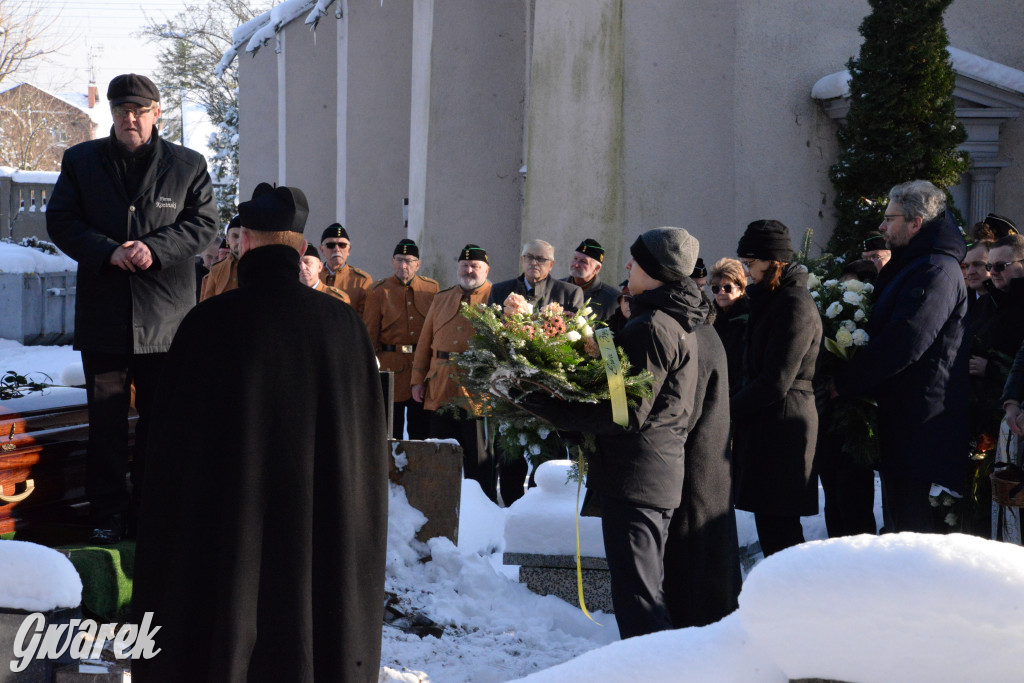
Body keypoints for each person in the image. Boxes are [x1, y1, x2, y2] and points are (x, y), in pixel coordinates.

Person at [133, 183, 387, 681]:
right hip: (318, 532)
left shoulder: (206, 324)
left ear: (243, 243)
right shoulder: (342, 326)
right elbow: (365, 453)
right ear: (301, 249)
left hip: (228, 538)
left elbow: (168, 457)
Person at [46, 73, 219, 544]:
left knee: (161, 424)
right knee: (105, 422)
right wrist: (107, 250)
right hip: (105, 318)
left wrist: (154, 249)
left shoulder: (187, 164)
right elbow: (60, 220)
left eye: (140, 110)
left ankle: (153, 508)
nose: (130, 119)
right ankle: (108, 512)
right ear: (111, 114)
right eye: (122, 110)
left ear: (157, 113)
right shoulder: (81, 161)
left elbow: (205, 223)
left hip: (166, 321)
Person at [523, 226, 705, 638]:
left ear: (656, 272)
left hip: (637, 477)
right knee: (643, 591)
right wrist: (600, 340)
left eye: (636, 261)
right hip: (651, 474)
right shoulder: (672, 321)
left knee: (639, 600)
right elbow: (627, 386)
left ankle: (650, 672)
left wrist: (548, 407)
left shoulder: (653, 326)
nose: (627, 266)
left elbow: (625, 412)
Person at [833, 180, 969, 533]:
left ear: (916, 223)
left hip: (922, 426)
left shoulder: (934, 270)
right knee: (900, 524)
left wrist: (845, 382)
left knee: (914, 532)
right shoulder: (918, 263)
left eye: (889, 219)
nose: (881, 227)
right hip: (905, 420)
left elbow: (907, 340)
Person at [731, 220, 821, 557]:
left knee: (781, 532)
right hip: (766, 424)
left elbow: (776, 379)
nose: (746, 271)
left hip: (783, 427)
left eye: (751, 263)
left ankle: (793, 602)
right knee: (771, 526)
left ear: (774, 261)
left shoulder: (793, 303)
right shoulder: (770, 300)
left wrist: (726, 411)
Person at [662, 292, 741, 629]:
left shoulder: (696, 339)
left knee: (695, 570)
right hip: (708, 469)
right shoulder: (707, 334)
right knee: (710, 562)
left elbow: (684, 416)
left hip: (695, 470)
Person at [412, 245, 496, 500]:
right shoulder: (442, 297)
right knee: (441, 452)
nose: (469, 270)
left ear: (486, 270)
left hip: (477, 391)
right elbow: (425, 342)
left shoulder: (496, 296)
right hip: (441, 387)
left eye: (475, 266)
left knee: (479, 458)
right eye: (464, 265)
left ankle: (482, 507)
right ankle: (441, 504)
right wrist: (417, 380)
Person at [815, 259, 878, 539]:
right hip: (830, 416)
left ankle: (859, 562)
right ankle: (835, 554)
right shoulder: (831, 320)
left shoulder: (875, 319)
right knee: (832, 496)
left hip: (857, 420)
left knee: (853, 499)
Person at [363, 239, 440, 440]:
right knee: (389, 431)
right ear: (392, 261)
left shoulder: (431, 289)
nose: (403, 265)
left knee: (421, 431)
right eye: (399, 260)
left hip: (421, 369)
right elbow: (370, 335)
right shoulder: (378, 290)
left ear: (418, 264)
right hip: (390, 368)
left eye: (408, 260)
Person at [490, 239, 584, 313]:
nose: (534, 263)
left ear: (551, 265)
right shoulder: (499, 291)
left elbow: (581, 334)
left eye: (540, 259)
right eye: (529, 257)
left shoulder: (569, 293)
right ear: (522, 261)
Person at [709, 257, 749, 396]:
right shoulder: (708, 319)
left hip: (740, 391)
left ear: (741, 289)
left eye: (727, 287)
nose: (721, 293)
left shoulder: (750, 317)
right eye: (716, 288)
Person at [319, 223, 373, 314]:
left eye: (342, 245)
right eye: (331, 245)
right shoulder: (312, 276)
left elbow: (367, 318)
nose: (337, 249)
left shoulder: (361, 280)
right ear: (322, 250)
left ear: (349, 250)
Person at [563, 238, 620, 321]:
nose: (576, 265)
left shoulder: (612, 298)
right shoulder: (557, 287)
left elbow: (610, 331)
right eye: (575, 259)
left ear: (596, 268)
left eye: (583, 261)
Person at [200, 214, 241, 301]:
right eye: (235, 236)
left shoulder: (260, 266)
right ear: (227, 238)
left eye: (242, 236)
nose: (239, 241)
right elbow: (205, 309)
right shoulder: (216, 270)